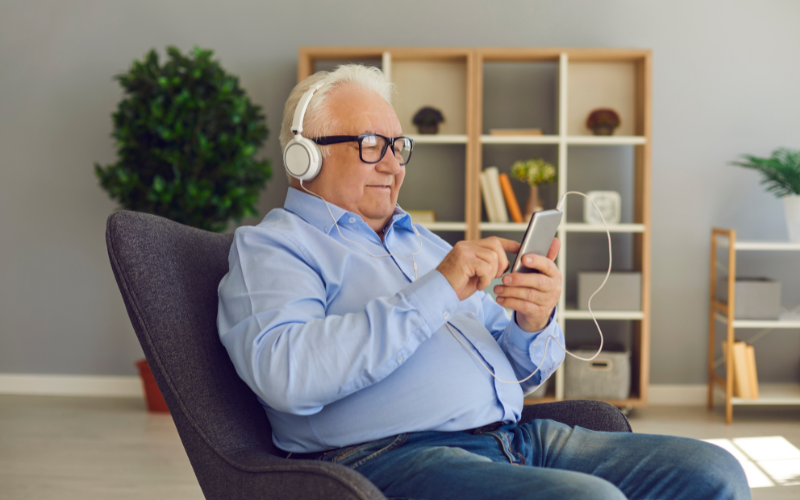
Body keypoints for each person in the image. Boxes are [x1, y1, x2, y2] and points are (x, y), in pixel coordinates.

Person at [217, 64, 750, 500]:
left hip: (517, 438)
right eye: (372, 144)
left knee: (713, 471)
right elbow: (286, 375)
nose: (393, 165)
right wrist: (437, 289)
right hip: (390, 459)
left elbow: (522, 372)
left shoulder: (424, 243)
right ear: (303, 155)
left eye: (398, 147)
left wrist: (532, 321)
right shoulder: (274, 246)